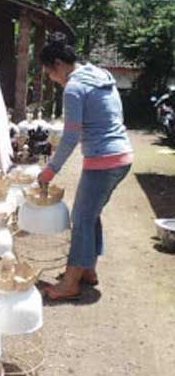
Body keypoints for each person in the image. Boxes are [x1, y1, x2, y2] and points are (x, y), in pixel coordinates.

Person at [37, 32, 133, 301]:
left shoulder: (74, 87)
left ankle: (70, 282)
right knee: (91, 213)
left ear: (57, 64)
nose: (52, 80)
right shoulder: (100, 75)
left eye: (49, 73)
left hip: (103, 160)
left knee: (80, 218)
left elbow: (70, 136)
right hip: (122, 154)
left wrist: (50, 169)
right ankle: (87, 269)